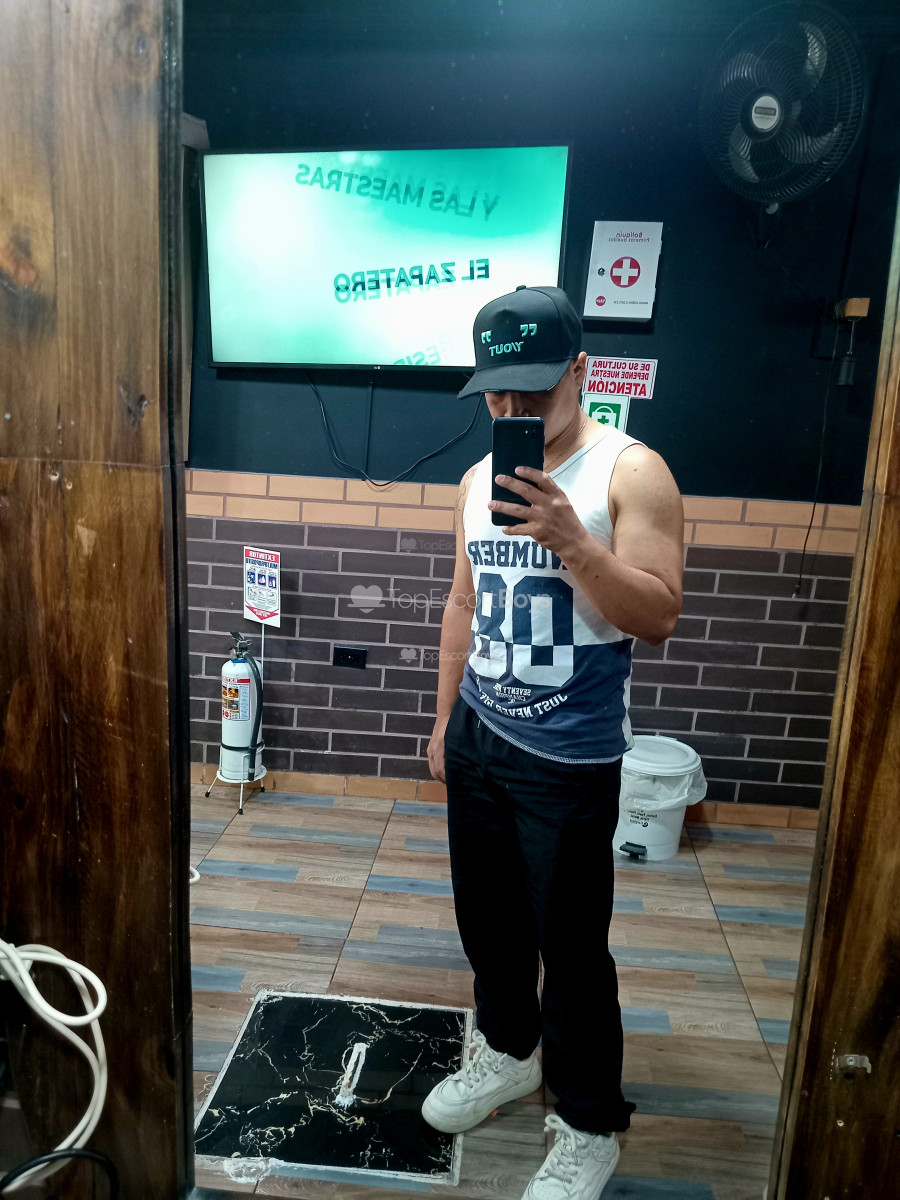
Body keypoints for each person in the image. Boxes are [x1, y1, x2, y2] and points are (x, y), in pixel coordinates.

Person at [421, 285, 684, 1200]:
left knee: (571, 952)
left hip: (569, 759)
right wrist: (443, 719)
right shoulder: (475, 481)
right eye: (495, 391)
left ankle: (588, 1122)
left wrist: (573, 539)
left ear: (581, 370)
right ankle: (507, 1051)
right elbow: (463, 602)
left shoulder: (630, 473)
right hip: (479, 736)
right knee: (488, 923)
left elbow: (658, 614)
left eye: (532, 389)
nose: (511, 408)